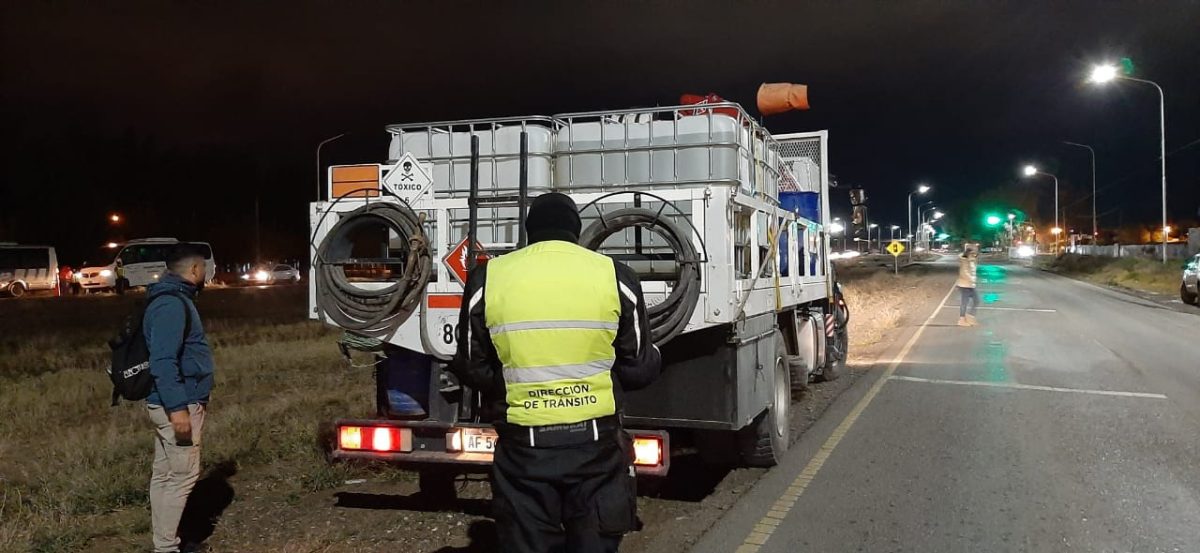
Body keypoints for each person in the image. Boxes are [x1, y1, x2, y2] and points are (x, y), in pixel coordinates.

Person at [453, 192, 662, 553]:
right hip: (595, 450)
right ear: (576, 230)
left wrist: (511, 386)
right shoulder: (616, 275)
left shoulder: (489, 278)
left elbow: (472, 365)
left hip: (524, 454)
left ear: (529, 230)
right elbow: (639, 370)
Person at [144, 244, 215, 553]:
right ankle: (166, 548)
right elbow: (162, 361)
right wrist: (178, 409)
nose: (206, 275)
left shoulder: (171, 299)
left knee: (165, 474)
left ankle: (164, 542)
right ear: (195, 270)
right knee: (183, 476)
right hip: (177, 402)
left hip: (170, 401)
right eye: (204, 269)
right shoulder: (171, 305)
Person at [957, 243, 979, 326]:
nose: (975, 254)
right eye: (973, 253)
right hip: (964, 285)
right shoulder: (965, 261)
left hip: (970, 285)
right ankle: (961, 320)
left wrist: (973, 280)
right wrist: (972, 279)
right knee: (964, 302)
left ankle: (970, 317)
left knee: (976, 301)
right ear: (968, 253)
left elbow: (973, 271)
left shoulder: (972, 260)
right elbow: (964, 273)